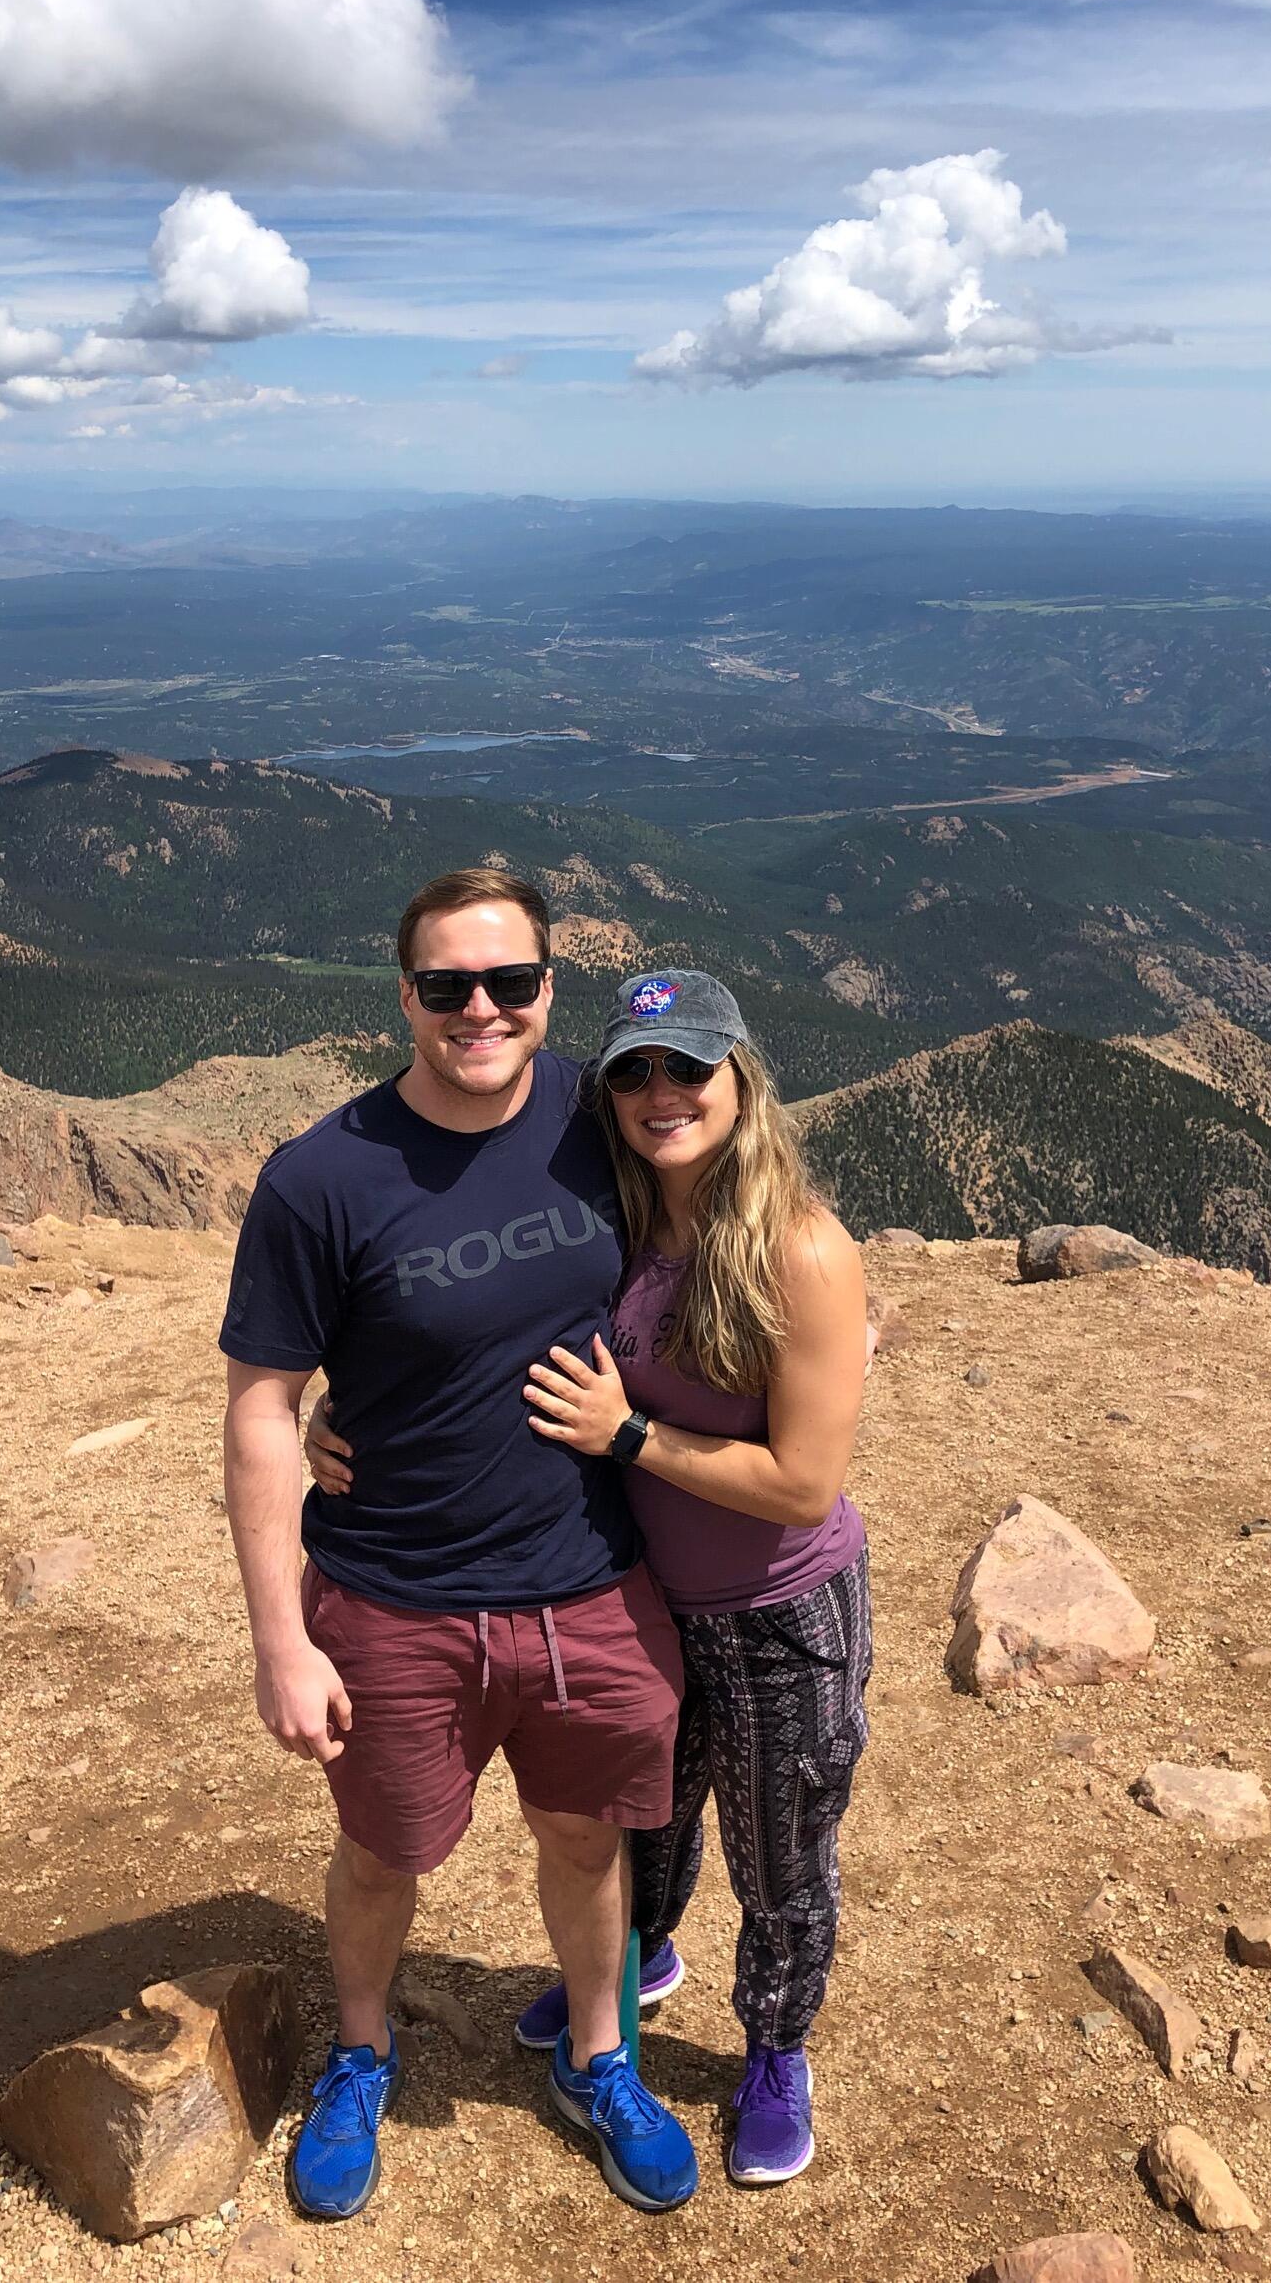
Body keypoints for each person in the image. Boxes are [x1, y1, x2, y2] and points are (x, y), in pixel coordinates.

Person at [310, 968, 872, 2188]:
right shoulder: (615, 1210)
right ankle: (623, 1980)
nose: (662, 1092)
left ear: (741, 1077)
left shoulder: (800, 1249)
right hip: (641, 1595)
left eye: (689, 1067)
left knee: (780, 1850)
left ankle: (774, 2048)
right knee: (635, 1828)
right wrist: (340, 1409)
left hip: (780, 1608)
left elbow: (803, 1487)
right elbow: (469, 1309)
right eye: (634, 1071)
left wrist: (632, 1440)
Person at [220, 871, 699, 2221]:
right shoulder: (321, 1178)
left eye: (509, 983)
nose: (480, 1010)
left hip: (589, 1582)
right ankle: (360, 2053)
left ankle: (600, 2056)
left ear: (552, 989)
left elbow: (733, 1211)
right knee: (382, 1853)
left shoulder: (596, 1119)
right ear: (405, 997)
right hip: (394, 1597)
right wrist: (277, 1640)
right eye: (447, 986)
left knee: (585, 1840)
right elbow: (259, 1410)